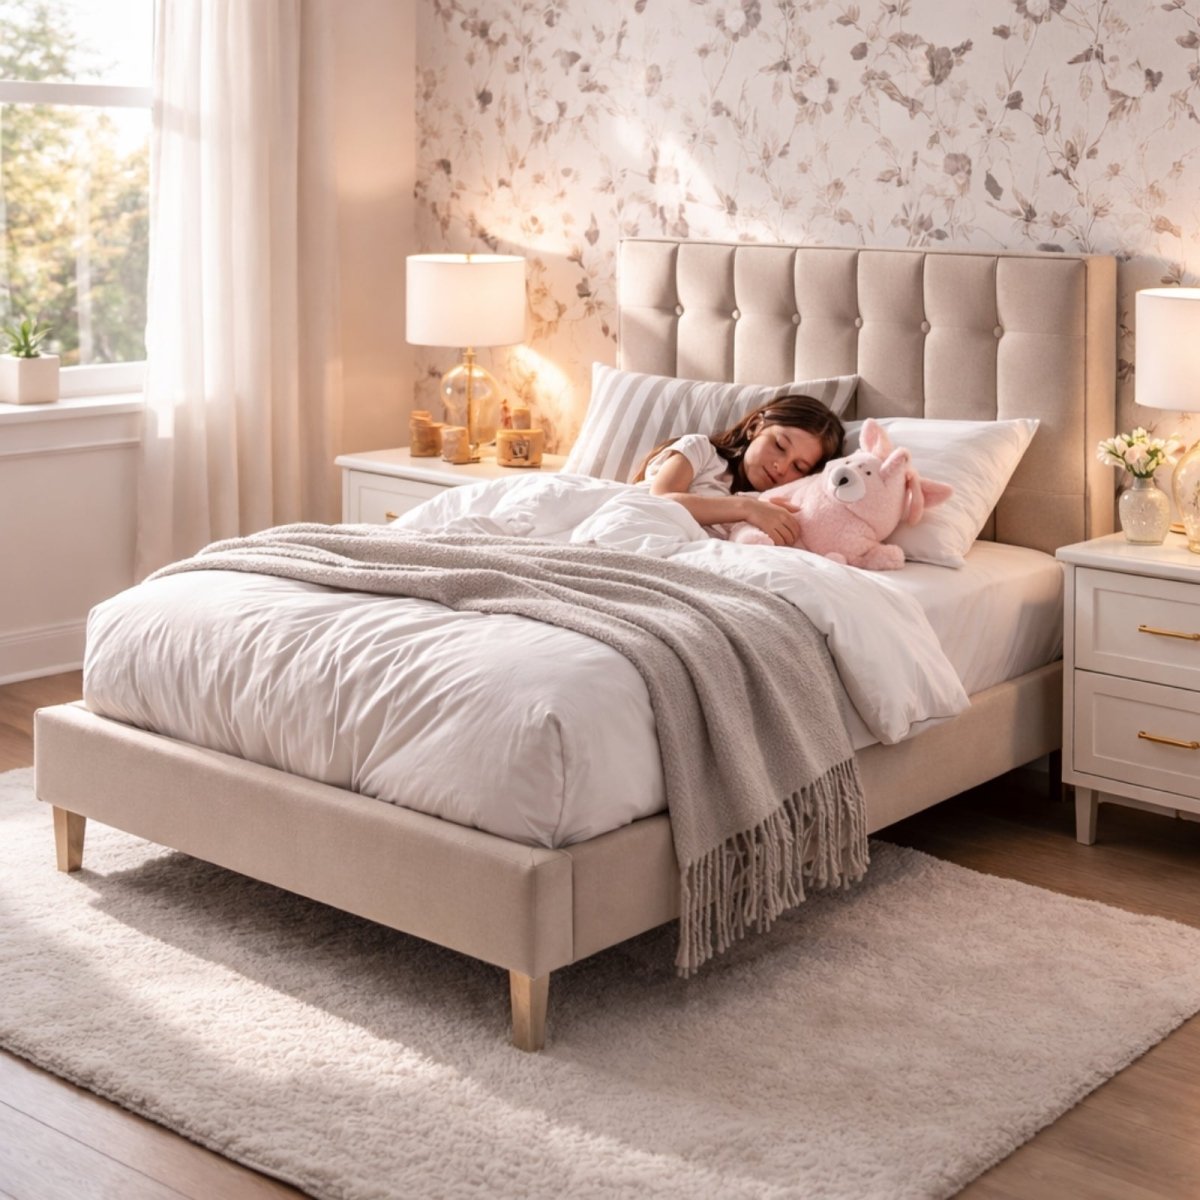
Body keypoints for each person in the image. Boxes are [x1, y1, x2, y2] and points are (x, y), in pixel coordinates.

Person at [632, 394, 845, 544]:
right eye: (779, 445)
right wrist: (746, 508)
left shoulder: (772, 504)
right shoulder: (700, 451)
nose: (781, 467)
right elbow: (661, 499)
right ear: (755, 427)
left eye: (799, 467)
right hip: (639, 533)